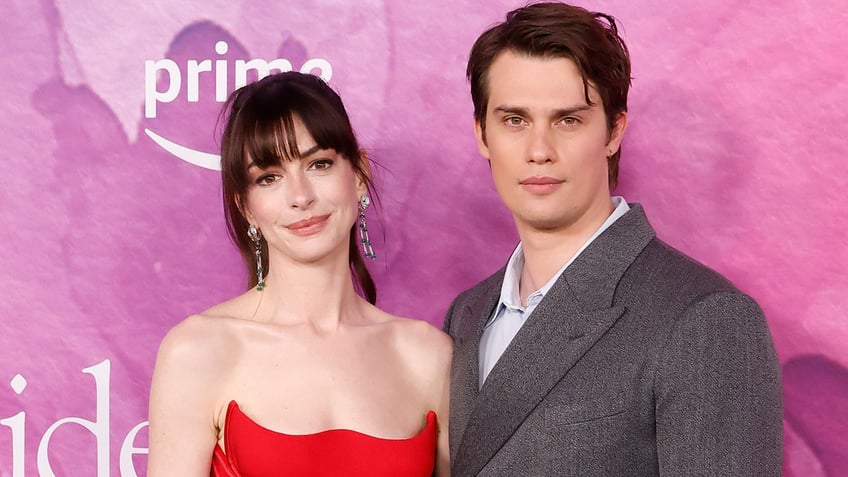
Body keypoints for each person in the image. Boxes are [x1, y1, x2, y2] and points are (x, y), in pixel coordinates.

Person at [442, 3, 783, 476]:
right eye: (515, 120)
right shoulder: (466, 314)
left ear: (614, 130)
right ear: (482, 134)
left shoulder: (707, 320)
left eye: (568, 120)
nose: (539, 150)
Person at [148, 72, 451, 476]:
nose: (301, 197)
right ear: (246, 206)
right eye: (269, 177)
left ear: (358, 175)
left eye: (319, 164)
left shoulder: (428, 357)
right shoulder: (199, 351)